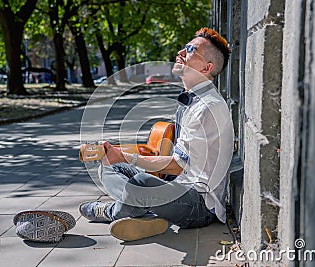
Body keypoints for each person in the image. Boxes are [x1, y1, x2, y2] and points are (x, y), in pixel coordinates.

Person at [79, 27, 234, 242]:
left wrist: (129, 156)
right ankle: (140, 211)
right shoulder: (193, 100)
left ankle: (113, 211)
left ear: (207, 67)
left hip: (199, 204)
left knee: (141, 182)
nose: (181, 51)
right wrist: (119, 156)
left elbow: (178, 165)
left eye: (190, 49)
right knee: (110, 166)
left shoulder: (208, 107)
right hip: (176, 185)